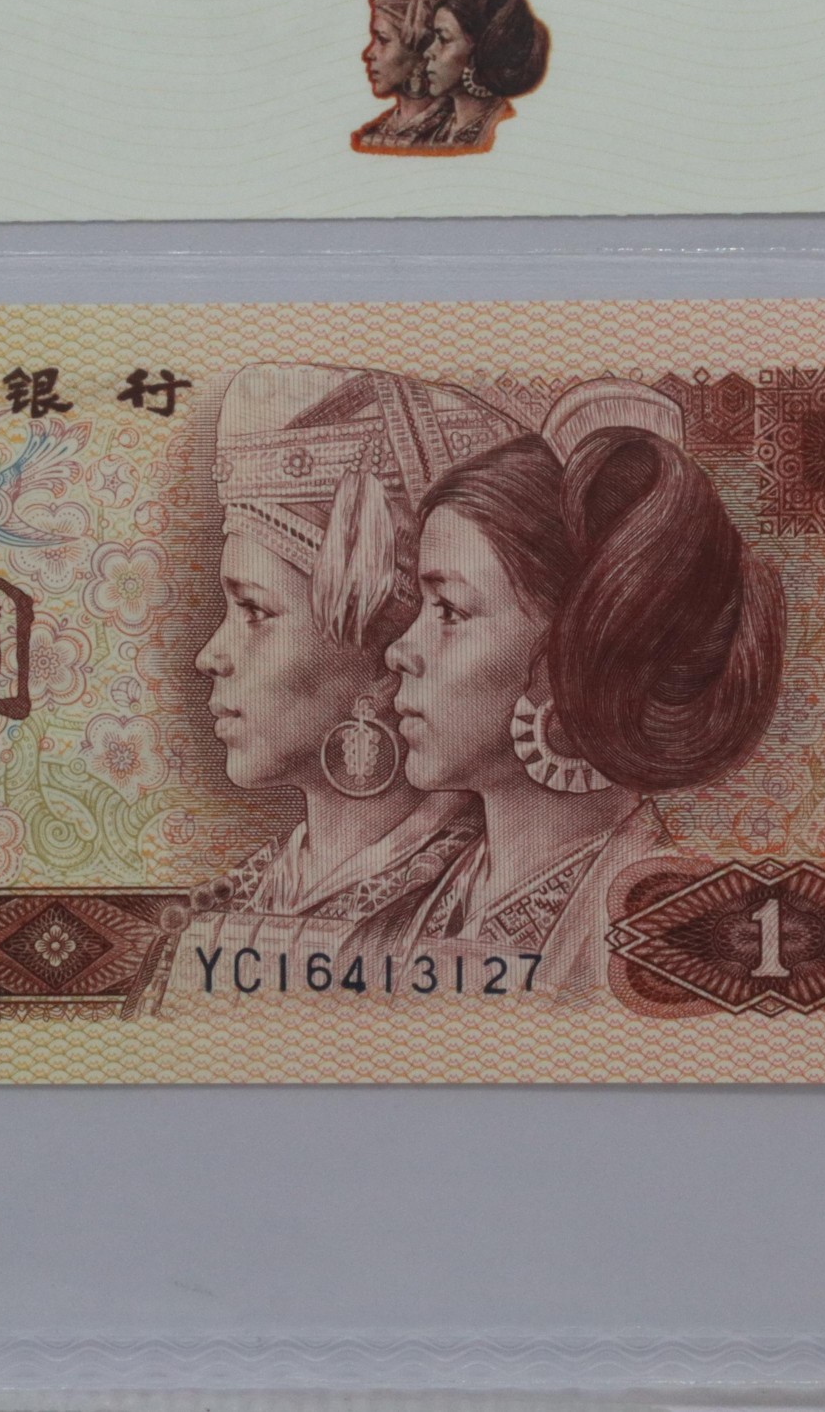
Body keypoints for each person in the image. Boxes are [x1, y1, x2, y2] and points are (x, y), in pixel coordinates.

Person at [351, 378, 785, 998]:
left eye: (449, 610)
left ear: (577, 653)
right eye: (421, 605)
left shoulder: (679, 941)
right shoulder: (384, 932)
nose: (399, 650)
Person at [137, 366, 521, 1013]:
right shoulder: (235, 900)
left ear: (385, 660)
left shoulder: (485, 910)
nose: (210, 656)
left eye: (255, 611)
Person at [414, 0, 552, 155]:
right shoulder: (434, 130)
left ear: (478, 51)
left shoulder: (504, 128)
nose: (427, 53)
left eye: (443, 39)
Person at [351, 0, 467, 154]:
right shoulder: (373, 135)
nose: (368, 54)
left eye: (383, 39)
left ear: (421, 52)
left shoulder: (458, 133)